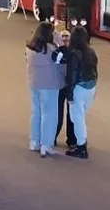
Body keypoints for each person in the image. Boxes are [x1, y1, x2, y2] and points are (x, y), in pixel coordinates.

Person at [57, 27, 99, 159]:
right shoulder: (91, 52)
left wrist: (69, 95)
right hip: (91, 87)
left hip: (79, 88)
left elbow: (72, 76)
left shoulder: (74, 54)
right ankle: (81, 142)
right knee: (80, 116)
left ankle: (81, 147)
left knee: (77, 118)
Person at [25, 21, 64, 157]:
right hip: (50, 86)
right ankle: (46, 145)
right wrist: (61, 44)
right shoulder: (51, 51)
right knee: (49, 115)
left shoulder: (29, 48)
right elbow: (63, 60)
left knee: (36, 112)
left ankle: (34, 141)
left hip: (34, 84)